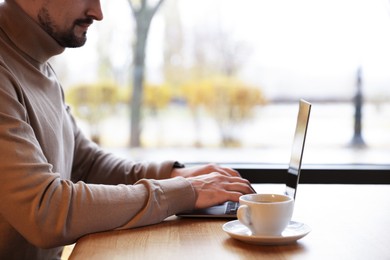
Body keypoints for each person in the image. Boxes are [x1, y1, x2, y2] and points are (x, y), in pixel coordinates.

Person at [0, 0, 255, 259]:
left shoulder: (36, 61)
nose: (97, 13)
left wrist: (177, 175)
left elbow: (87, 165)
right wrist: (184, 192)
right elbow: (45, 211)